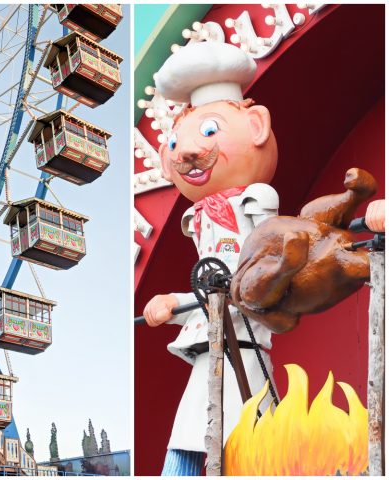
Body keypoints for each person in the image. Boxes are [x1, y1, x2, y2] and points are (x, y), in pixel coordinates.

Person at [142, 42, 278, 475]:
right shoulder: (199, 219)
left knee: (247, 446)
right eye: (176, 143)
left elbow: (269, 259)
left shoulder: (257, 200)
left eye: (209, 132)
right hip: (206, 349)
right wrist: (172, 302)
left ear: (255, 126)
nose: (185, 154)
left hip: (245, 348)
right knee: (188, 440)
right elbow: (208, 286)